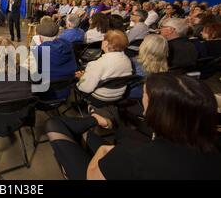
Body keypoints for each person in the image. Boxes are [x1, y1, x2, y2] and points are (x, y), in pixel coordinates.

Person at [47, 73, 221, 180]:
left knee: (54, 124)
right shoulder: (212, 150)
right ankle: (96, 120)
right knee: (78, 131)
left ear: (157, 109)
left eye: (144, 94)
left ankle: (96, 120)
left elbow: (92, 176)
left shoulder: (135, 155)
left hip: (101, 170)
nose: (142, 99)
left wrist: (102, 153)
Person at [76, 30, 132, 105]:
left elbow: (86, 88)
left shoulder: (98, 64)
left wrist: (82, 78)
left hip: (100, 98)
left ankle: (82, 105)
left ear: (106, 43)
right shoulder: (127, 60)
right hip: (118, 96)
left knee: (75, 81)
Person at [129, 34, 168, 98]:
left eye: (143, 41)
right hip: (157, 92)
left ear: (145, 47)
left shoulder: (131, 62)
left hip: (135, 92)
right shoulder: (165, 65)